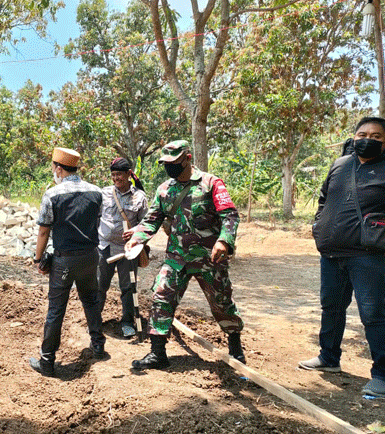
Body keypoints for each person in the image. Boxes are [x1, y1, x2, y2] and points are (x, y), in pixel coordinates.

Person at [299, 117, 385, 398]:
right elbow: (324, 197)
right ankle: (329, 357)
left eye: (375, 135)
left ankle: (383, 374)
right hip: (333, 252)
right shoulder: (341, 164)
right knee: (331, 306)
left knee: (372, 315)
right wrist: (318, 225)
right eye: (362, 133)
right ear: (354, 136)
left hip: (370, 256)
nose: (367, 138)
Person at [125, 140, 245, 370]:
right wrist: (136, 239)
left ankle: (235, 348)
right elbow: (151, 220)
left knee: (221, 303)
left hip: (209, 259)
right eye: (165, 164)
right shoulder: (164, 190)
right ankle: (157, 353)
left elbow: (229, 215)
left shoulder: (211, 184)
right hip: (176, 258)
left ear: (188, 159)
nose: (169, 167)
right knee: (161, 298)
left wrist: (224, 240)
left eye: (174, 163)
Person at [29, 147, 105, 377]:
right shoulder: (97, 192)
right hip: (91, 256)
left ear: (59, 168)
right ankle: (99, 346)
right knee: (91, 300)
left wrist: (38, 258)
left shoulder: (53, 194)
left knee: (56, 309)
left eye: (54, 168)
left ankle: (47, 361)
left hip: (65, 261)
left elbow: (44, 231)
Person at [97, 157, 149, 337]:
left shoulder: (139, 197)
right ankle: (95, 321)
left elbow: (148, 224)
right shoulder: (104, 194)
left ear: (129, 174)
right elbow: (96, 217)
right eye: (113, 175)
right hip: (105, 246)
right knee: (99, 285)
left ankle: (127, 322)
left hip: (129, 250)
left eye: (119, 174)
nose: (116, 178)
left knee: (128, 287)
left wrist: (135, 232)